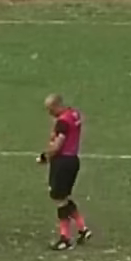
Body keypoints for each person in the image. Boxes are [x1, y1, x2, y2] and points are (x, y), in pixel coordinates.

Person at [37, 93, 91, 251]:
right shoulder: (74, 114)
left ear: (56, 105)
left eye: (50, 109)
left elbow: (58, 145)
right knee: (64, 198)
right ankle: (83, 228)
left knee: (59, 199)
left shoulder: (62, 122)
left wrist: (45, 156)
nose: (49, 113)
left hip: (62, 162)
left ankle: (65, 238)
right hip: (73, 160)